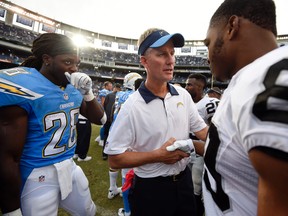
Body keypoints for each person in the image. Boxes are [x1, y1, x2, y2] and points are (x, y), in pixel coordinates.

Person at [104, 28, 208, 216]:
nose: (170, 60)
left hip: (184, 183)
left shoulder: (183, 95)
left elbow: (202, 131)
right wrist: (158, 155)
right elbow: (115, 158)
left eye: (172, 53)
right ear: (144, 61)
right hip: (151, 190)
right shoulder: (132, 106)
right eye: (161, 54)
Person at [0, 33, 106, 216]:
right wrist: (11, 209)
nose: (74, 69)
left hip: (69, 165)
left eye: (77, 63)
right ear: (47, 59)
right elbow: (6, 157)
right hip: (36, 173)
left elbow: (100, 120)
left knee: (88, 211)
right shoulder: (26, 88)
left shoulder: (72, 87)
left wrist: (88, 93)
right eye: (67, 62)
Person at [202, 0, 288, 215]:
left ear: (231, 27)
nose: (207, 55)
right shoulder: (247, 78)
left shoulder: (262, 80)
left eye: (208, 43)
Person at [185, 73, 220, 216]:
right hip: (187, 149)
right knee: (187, 185)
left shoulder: (209, 103)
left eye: (190, 84)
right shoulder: (187, 102)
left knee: (196, 186)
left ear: (200, 87)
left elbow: (218, 129)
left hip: (201, 151)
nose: (186, 87)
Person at [102, 83, 122, 160]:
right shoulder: (122, 96)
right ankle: (114, 153)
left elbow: (104, 106)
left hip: (108, 119)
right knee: (116, 137)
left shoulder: (109, 95)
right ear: (120, 89)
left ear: (114, 88)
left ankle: (104, 154)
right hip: (117, 120)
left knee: (106, 135)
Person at [95, 81, 113, 147]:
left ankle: (100, 137)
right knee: (104, 125)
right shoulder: (104, 91)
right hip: (103, 110)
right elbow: (103, 102)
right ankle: (102, 140)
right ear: (106, 86)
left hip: (105, 110)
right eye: (110, 86)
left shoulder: (109, 92)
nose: (111, 87)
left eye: (111, 86)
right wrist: (104, 110)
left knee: (104, 125)